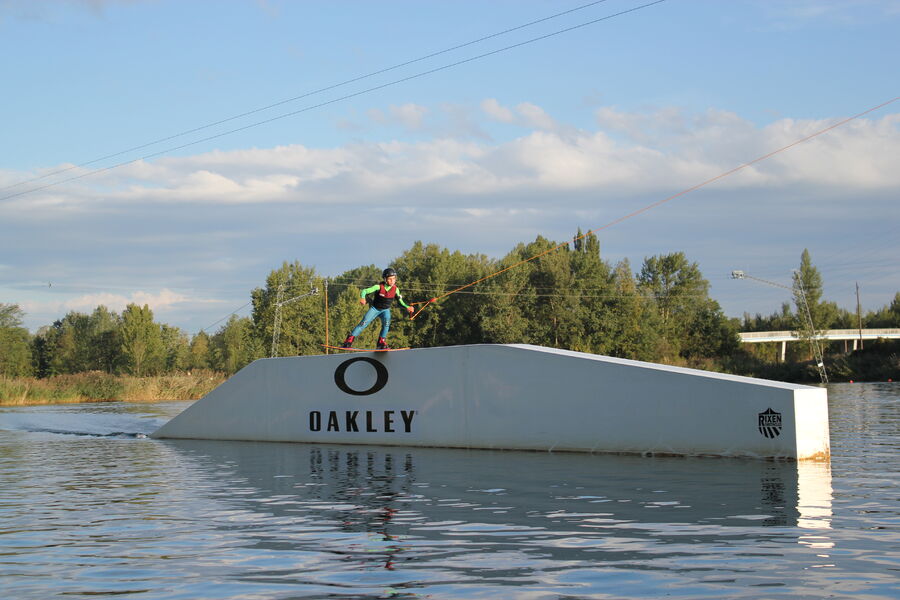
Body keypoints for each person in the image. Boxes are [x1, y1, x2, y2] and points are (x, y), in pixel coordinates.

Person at [342, 268, 414, 349]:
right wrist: (363, 298)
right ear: (385, 279)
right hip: (375, 309)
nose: (392, 281)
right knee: (363, 323)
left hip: (385, 310)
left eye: (394, 279)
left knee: (386, 324)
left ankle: (381, 342)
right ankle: (348, 340)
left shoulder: (396, 290)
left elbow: (400, 302)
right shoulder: (378, 287)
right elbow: (364, 291)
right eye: (390, 279)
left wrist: (407, 307)